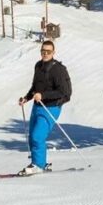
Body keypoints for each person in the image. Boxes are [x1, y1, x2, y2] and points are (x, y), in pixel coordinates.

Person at [17, 40, 72, 176]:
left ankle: (38, 165)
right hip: (37, 107)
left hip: (51, 107)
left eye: (48, 51)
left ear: (54, 52)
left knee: (37, 136)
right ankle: (42, 162)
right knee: (32, 137)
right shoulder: (38, 66)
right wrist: (27, 98)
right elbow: (35, 88)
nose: (45, 53)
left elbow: (63, 92)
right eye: (43, 51)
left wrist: (43, 95)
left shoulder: (58, 69)